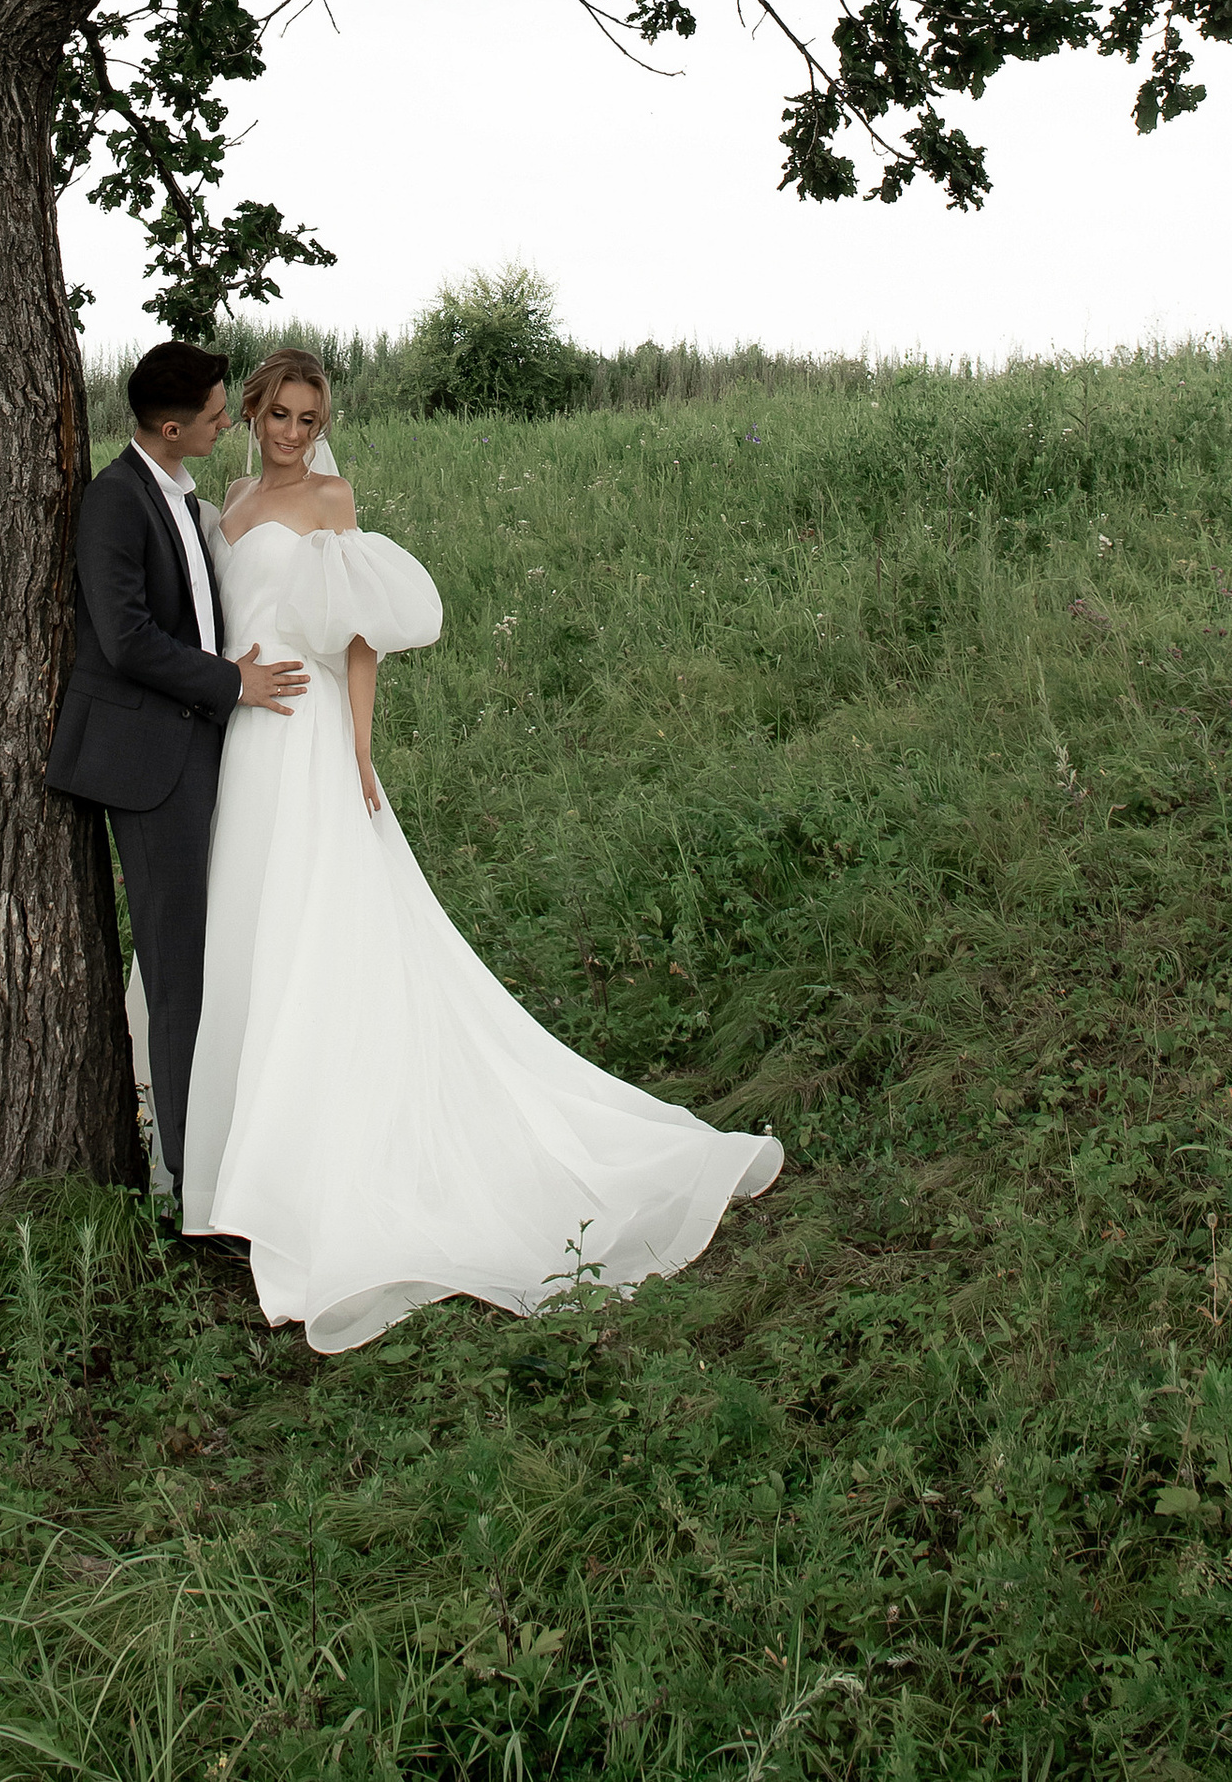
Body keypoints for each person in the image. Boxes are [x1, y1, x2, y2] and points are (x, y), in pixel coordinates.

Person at [182, 350, 783, 1351]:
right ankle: (241, 1174)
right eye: (278, 413)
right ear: (248, 414)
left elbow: (360, 634)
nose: (292, 429)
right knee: (246, 936)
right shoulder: (232, 497)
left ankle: (328, 1174)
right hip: (243, 742)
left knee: (321, 940)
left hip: (312, 735)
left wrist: (363, 750)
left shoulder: (331, 497)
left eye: (308, 414)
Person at [43, 340, 306, 1198]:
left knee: (211, 952)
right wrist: (235, 682)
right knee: (176, 967)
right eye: (216, 413)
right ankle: (192, 1177)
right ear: (171, 426)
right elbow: (125, 640)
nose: (228, 420)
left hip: (200, 744)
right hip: (148, 762)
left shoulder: (184, 495)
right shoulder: (116, 502)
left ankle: (218, 1145)